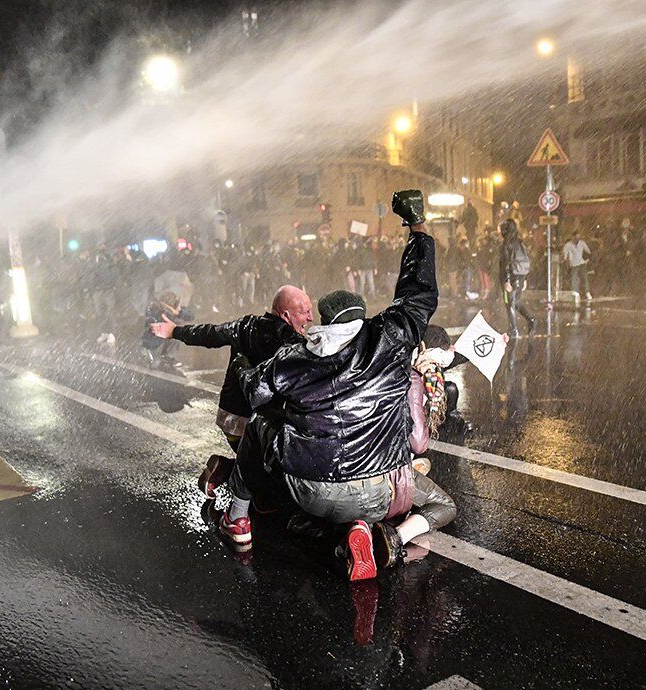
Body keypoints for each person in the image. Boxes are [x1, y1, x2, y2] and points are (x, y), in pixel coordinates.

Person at [221, 189, 438, 580]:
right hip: (379, 492)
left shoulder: (297, 357)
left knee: (259, 429)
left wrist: (239, 360)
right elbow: (419, 293)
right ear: (362, 316)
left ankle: (237, 519)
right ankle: (367, 532)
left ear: (323, 318)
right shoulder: (389, 338)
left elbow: (254, 392)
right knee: (426, 501)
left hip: (312, 492)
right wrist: (417, 226)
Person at [149, 285, 313, 455]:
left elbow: (210, 334)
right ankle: (229, 470)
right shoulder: (294, 344)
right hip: (262, 427)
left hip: (230, 420)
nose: (311, 318)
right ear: (285, 315)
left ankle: (228, 468)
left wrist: (175, 331)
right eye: (305, 311)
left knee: (252, 462)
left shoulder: (245, 326)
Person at [499, 218, 536, 337]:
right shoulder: (520, 242)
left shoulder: (506, 244)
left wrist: (506, 281)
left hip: (511, 276)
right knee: (516, 301)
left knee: (509, 303)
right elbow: (525, 260)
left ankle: (513, 330)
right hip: (520, 275)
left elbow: (505, 264)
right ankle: (530, 320)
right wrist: (524, 278)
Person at [562, 231, 592, 301]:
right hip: (574, 264)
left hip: (582, 263)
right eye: (576, 237)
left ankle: (587, 292)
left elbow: (588, 251)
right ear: (573, 237)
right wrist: (566, 260)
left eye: (579, 237)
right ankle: (575, 293)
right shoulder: (568, 245)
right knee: (574, 279)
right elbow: (565, 255)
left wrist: (587, 259)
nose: (577, 239)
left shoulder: (582, 243)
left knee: (584, 278)